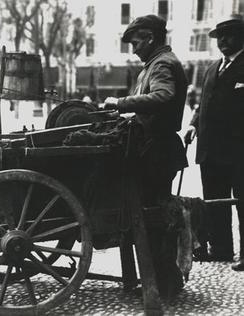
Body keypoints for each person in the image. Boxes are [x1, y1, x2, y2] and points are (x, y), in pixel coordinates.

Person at [104, 14, 188, 297]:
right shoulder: (154, 64)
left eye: (137, 41)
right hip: (153, 148)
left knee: (154, 219)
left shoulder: (162, 64)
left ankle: (164, 285)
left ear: (150, 37)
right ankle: (161, 281)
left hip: (157, 151)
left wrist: (121, 103)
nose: (135, 48)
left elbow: (163, 96)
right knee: (152, 218)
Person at [184, 15, 244, 271]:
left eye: (229, 36)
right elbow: (203, 104)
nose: (223, 42)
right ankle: (220, 248)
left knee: (242, 201)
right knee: (214, 200)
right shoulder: (211, 68)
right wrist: (193, 124)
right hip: (210, 150)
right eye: (220, 37)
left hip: (239, 150)